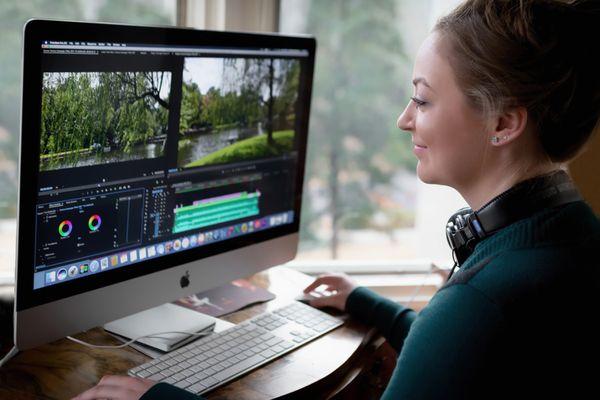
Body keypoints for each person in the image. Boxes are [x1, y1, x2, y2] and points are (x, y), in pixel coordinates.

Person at [72, 0, 600, 399]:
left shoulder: (483, 300)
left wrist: (160, 397)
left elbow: (471, 329)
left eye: (423, 98)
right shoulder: (569, 237)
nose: (405, 118)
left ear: (504, 123)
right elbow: (466, 360)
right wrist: (371, 304)